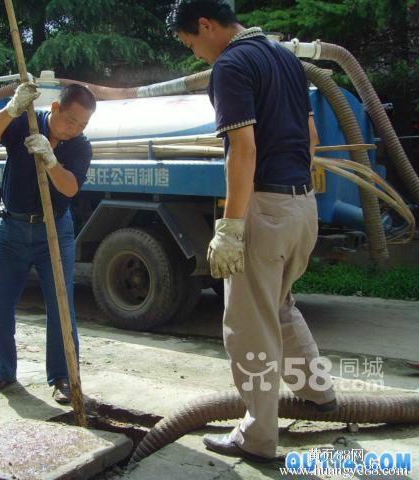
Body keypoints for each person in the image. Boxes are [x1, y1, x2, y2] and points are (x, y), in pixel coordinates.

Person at [168, 0, 337, 462]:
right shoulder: (285, 57)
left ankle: (258, 437)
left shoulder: (232, 65)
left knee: (248, 327)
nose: (197, 54)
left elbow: (242, 150)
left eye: (193, 43)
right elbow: (312, 139)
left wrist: (232, 228)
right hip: (302, 208)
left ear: (206, 25)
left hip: (266, 209)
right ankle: (318, 393)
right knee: (279, 308)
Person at [0, 82, 96, 403]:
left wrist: (52, 161)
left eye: (82, 125)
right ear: (55, 108)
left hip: (54, 232)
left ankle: (63, 377)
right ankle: (1, 371)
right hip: (10, 230)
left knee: (61, 307)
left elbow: (70, 189)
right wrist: (11, 108)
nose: (74, 129)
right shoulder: (24, 121)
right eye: (70, 121)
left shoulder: (80, 146)